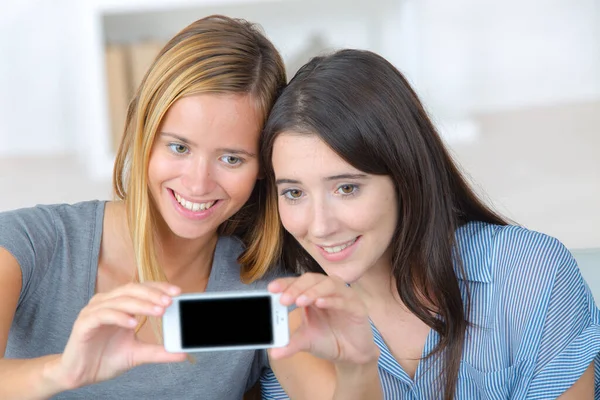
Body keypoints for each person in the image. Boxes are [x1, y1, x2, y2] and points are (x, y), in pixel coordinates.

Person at [254, 49, 600, 399]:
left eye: (347, 188)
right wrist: (356, 372)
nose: (320, 226)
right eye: (294, 193)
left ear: (406, 177)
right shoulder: (300, 330)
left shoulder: (529, 274)